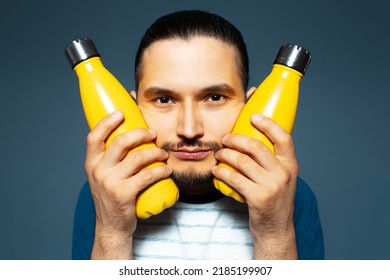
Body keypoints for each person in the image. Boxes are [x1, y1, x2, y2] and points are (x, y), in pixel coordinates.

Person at [72, 10, 324, 260]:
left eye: (214, 98)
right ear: (130, 110)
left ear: (253, 106)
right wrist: (112, 231)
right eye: (164, 99)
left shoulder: (291, 195)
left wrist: (274, 234)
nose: (190, 129)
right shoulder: (102, 194)